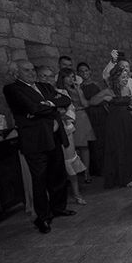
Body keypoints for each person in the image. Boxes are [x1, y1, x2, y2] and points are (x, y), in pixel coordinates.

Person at [3, 60, 76, 234]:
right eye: (26, 70)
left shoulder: (44, 87)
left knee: (57, 175)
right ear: (16, 73)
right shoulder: (12, 89)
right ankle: (42, 217)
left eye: (32, 69)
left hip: (53, 138)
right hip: (35, 142)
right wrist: (52, 106)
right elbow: (31, 108)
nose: (31, 73)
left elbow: (65, 99)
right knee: (39, 179)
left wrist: (48, 104)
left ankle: (58, 207)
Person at [91, 64, 132, 188]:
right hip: (114, 122)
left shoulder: (126, 89)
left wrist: (131, 99)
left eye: (127, 77)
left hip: (126, 120)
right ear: (116, 78)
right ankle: (123, 177)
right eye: (123, 78)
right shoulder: (108, 90)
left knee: (130, 146)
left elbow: (131, 103)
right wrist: (105, 98)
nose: (126, 80)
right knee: (119, 147)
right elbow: (92, 101)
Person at [53, 67, 87, 205]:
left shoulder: (64, 92)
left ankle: (77, 193)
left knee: (70, 159)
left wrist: (65, 115)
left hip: (66, 127)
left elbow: (70, 108)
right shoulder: (50, 92)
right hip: (53, 129)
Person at [61, 62, 95, 182]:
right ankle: (73, 175)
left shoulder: (76, 89)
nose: (72, 79)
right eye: (69, 76)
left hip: (80, 118)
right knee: (71, 149)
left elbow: (85, 104)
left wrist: (78, 91)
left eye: (73, 76)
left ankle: (86, 173)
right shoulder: (59, 91)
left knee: (84, 147)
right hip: (66, 120)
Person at [79, 62, 107, 176]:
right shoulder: (79, 87)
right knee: (92, 143)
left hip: (100, 114)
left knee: (102, 139)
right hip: (88, 116)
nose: (84, 73)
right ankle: (95, 169)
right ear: (78, 73)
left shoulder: (97, 84)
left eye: (86, 70)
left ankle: (105, 166)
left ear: (90, 71)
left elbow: (105, 98)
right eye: (81, 71)